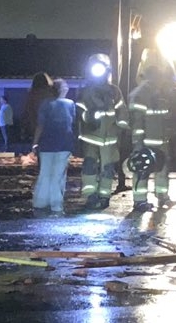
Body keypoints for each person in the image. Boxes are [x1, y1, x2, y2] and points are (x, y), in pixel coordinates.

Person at [126, 55, 175, 210]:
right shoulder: (140, 94)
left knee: (160, 169)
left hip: (158, 140)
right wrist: (138, 143)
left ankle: (162, 196)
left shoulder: (158, 93)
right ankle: (140, 200)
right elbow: (137, 121)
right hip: (148, 141)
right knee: (143, 170)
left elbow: (165, 117)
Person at [76, 55, 123, 207]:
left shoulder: (114, 91)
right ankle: (90, 195)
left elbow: (122, 111)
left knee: (108, 168)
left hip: (110, 138)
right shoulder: (85, 92)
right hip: (90, 136)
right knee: (90, 164)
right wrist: (90, 116)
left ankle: (104, 195)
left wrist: (123, 129)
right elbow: (79, 112)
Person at [30, 75, 77, 212]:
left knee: (45, 173)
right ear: (63, 90)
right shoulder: (70, 104)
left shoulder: (45, 104)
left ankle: (40, 202)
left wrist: (35, 143)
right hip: (64, 144)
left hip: (46, 144)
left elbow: (40, 125)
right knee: (58, 175)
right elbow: (72, 123)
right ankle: (56, 204)